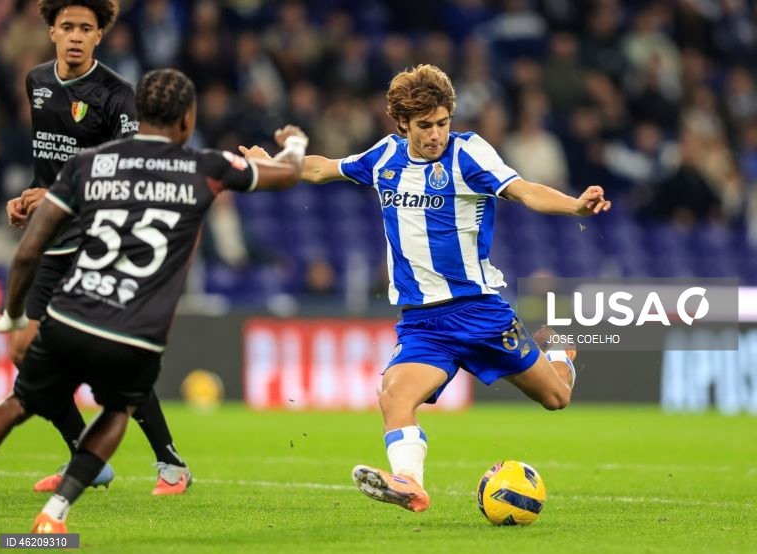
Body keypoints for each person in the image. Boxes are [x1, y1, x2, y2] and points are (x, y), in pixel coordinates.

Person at [241, 64, 610, 513]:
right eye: (425, 126)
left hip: (479, 311)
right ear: (402, 123)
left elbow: (524, 191)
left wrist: (575, 206)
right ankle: (409, 483)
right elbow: (322, 170)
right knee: (394, 395)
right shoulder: (385, 157)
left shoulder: (469, 154)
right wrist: (276, 164)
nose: (436, 135)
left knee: (556, 398)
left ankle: (560, 353)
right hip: (423, 323)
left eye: (442, 123)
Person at [0, 67, 308, 533]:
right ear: (188, 119)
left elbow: (28, 252)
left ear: (137, 116)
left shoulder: (89, 163)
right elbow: (290, 172)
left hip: (69, 313)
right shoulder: (206, 166)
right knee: (117, 410)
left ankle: (77, 500)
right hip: (134, 330)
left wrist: (16, 315)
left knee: (18, 403)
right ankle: (55, 515)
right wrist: (295, 141)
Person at [5, 0, 192, 495]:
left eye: (85, 28)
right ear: (51, 31)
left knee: (109, 358)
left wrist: (54, 196)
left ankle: (171, 463)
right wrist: (30, 197)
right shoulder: (37, 81)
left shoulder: (117, 95)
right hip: (52, 241)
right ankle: (84, 455)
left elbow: (128, 175)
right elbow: (49, 165)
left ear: (99, 36)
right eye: (66, 26)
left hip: (99, 242)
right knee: (24, 350)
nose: (75, 36)